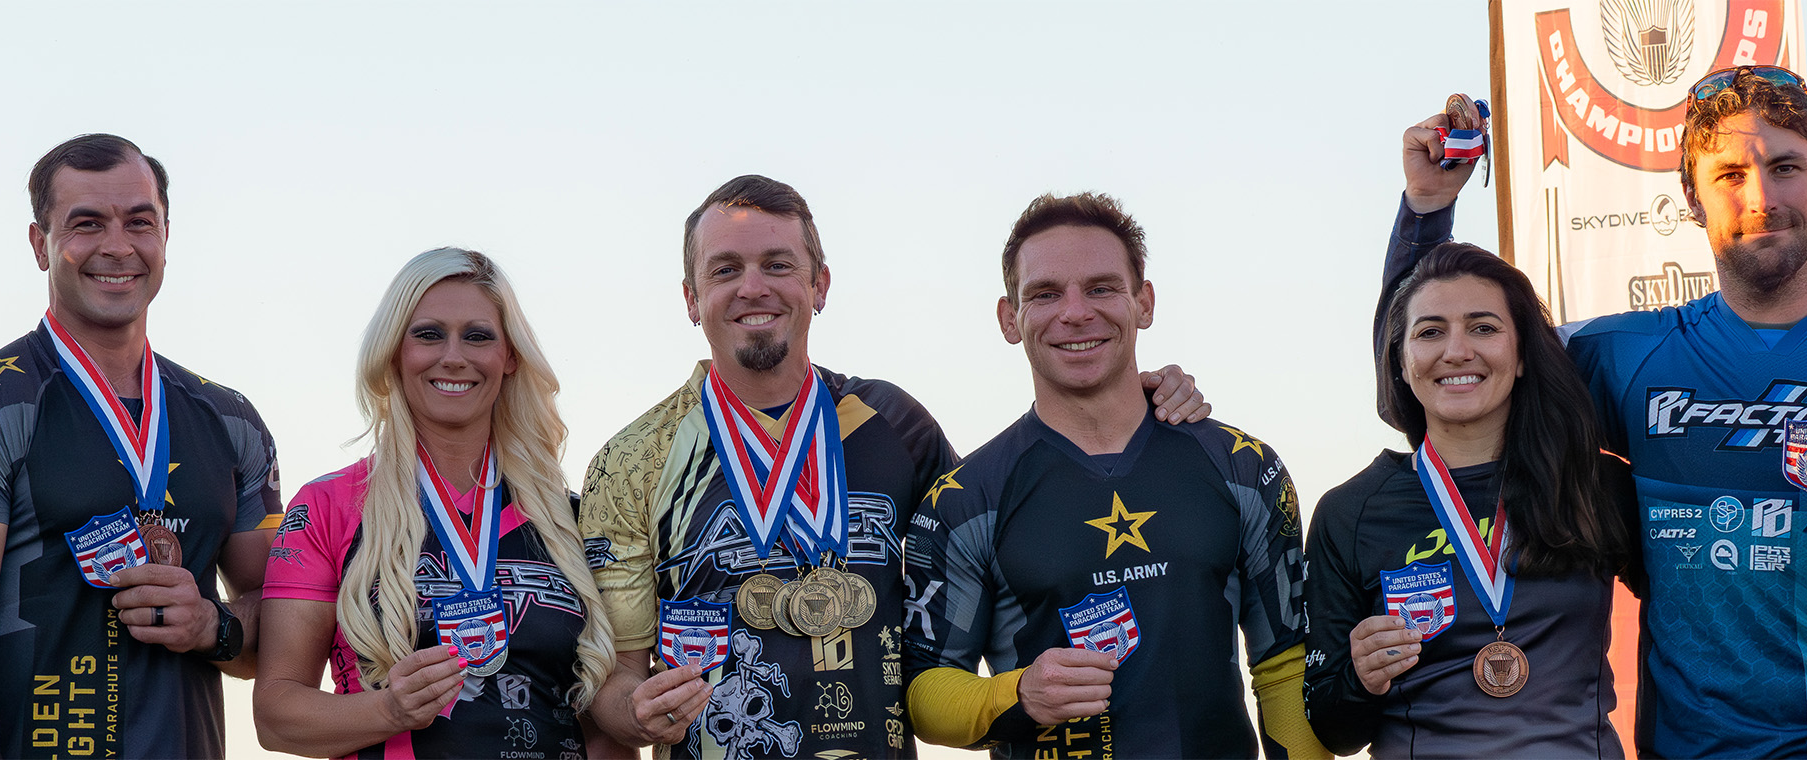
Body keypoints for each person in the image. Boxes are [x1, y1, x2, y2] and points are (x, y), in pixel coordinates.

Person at [1381, 68, 1807, 758]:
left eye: (1785, 167)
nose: (1761, 196)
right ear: (1691, 199)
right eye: (1729, 174)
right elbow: (1431, 375)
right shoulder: (1619, 356)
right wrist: (1427, 209)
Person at [582, 175, 1213, 759]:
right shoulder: (631, 459)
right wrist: (634, 713)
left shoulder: (895, 423)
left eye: (779, 265)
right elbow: (614, 682)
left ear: (819, 285)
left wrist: (1129, 402)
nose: (754, 287)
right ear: (692, 298)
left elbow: (1019, 535)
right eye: (726, 270)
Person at [0, 133, 282, 759]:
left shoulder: (231, 420)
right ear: (39, 244)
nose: (116, 246)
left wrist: (215, 626)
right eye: (86, 224)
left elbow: (285, 628)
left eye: (139, 222)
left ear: (166, 236)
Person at [902, 192, 1321, 759]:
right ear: (1009, 318)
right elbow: (924, 690)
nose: (1075, 312)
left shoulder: (1245, 467)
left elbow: (1284, 667)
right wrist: (1018, 693)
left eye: (1100, 288)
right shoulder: (965, 498)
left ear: (1143, 302)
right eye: (1045, 294)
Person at [254, 247, 614, 759]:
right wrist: (387, 711)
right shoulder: (327, 505)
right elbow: (275, 715)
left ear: (509, 356)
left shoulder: (572, 519)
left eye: (478, 335)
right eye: (428, 334)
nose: (453, 356)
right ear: (394, 351)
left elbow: (602, 722)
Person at [1305, 230, 1637, 755]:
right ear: (1400, 361)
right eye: (1430, 332)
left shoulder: (1595, 485)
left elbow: (1693, 620)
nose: (1457, 352)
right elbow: (1333, 729)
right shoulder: (1350, 513)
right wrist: (1360, 678)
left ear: (1522, 354)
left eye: (1483, 328)